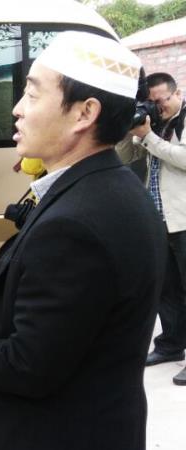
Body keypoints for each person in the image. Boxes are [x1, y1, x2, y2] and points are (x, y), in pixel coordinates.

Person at [0, 32, 166, 450]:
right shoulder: (112, 187)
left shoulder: (76, 223)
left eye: (32, 95)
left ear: (84, 113)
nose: (17, 109)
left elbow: (25, 366)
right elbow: (55, 289)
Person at [116, 72, 186, 385]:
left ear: (177, 93)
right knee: (166, 289)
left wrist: (150, 137)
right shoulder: (153, 125)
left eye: (162, 101)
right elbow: (124, 157)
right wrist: (128, 130)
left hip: (183, 220)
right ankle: (170, 345)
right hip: (159, 219)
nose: (158, 107)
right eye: (152, 103)